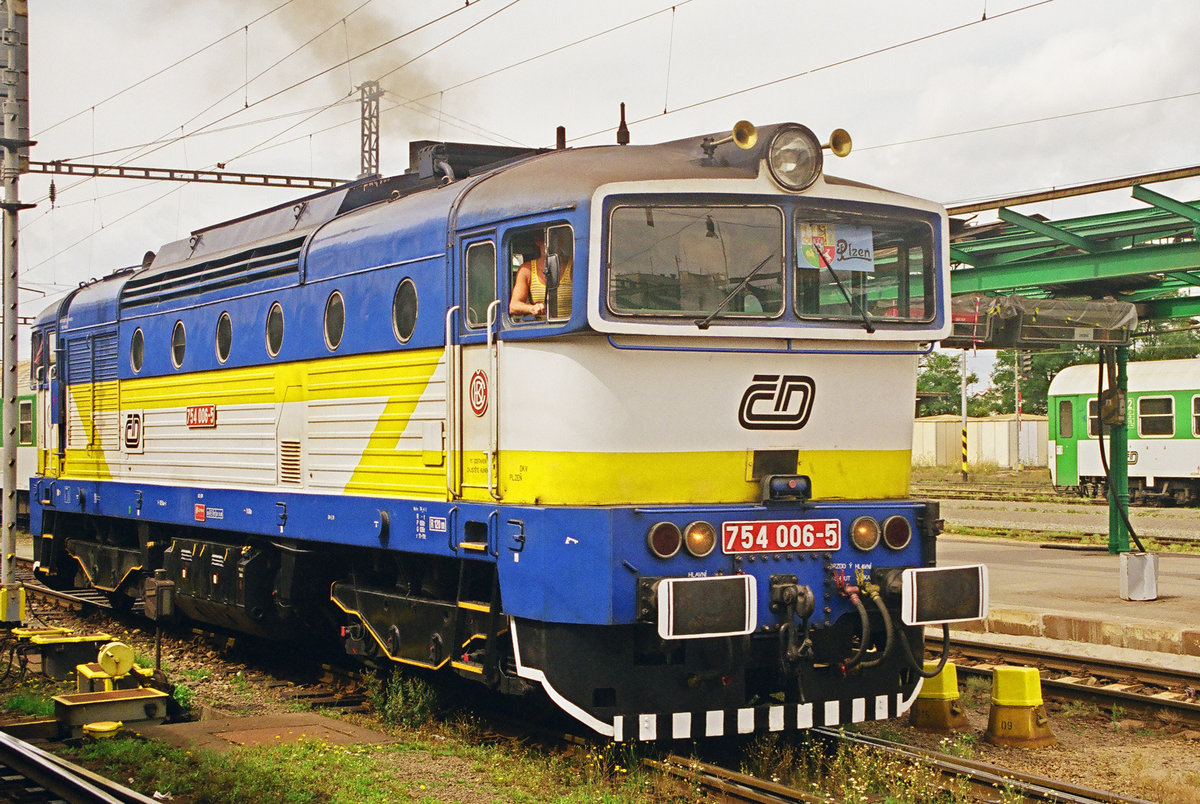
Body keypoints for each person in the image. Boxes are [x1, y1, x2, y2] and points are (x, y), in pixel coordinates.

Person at [509, 231, 572, 318]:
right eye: (546, 239)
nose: (552, 244)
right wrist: (532, 308)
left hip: (572, 330)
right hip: (543, 329)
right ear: (537, 241)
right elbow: (514, 306)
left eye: (556, 238)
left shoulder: (573, 265)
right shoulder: (527, 270)